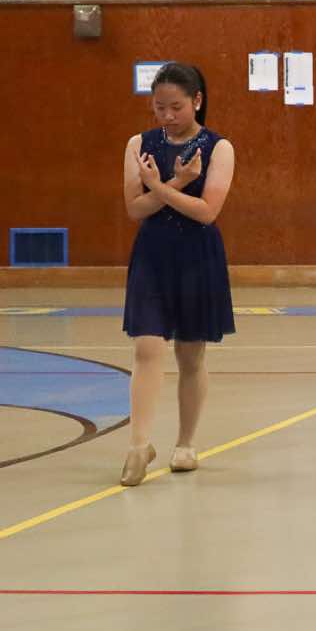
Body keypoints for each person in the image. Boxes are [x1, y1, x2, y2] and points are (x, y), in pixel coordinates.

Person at [119, 63, 236, 486]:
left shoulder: (219, 148)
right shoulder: (139, 144)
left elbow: (206, 211)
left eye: (176, 107)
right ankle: (138, 444)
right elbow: (135, 208)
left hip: (196, 255)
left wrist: (163, 185)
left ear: (197, 101)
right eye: (159, 107)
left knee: (190, 353)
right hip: (152, 254)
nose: (167, 116)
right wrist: (174, 182)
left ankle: (186, 442)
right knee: (147, 346)